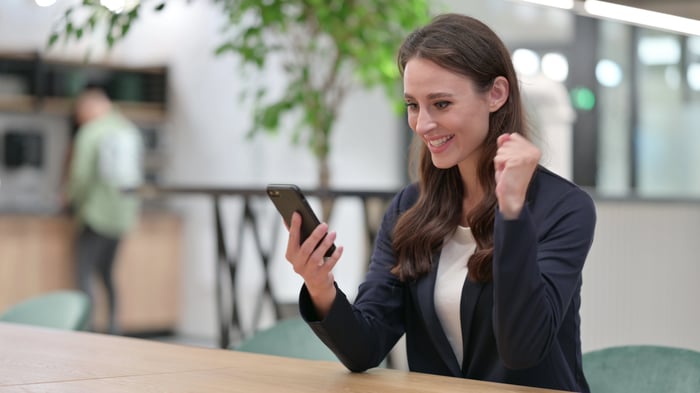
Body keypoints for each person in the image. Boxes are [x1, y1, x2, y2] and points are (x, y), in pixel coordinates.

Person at [282, 13, 596, 393]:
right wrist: (320, 287)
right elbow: (365, 347)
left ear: (496, 94)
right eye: (413, 105)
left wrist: (512, 213)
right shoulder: (409, 209)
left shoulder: (564, 208)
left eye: (442, 104)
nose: (422, 124)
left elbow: (523, 350)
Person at [66, 86, 144, 335]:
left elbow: (80, 176)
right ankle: (112, 325)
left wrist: (69, 199)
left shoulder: (91, 132)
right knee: (107, 272)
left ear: (89, 108)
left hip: (95, 213)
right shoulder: (130, 131)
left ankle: (85, 327)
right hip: (123, 215)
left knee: (84, 272)